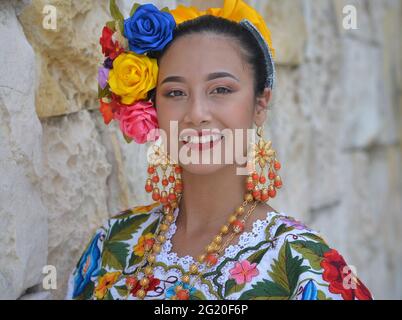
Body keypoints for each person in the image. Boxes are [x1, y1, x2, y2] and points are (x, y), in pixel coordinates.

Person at [66, 0, 373, 300]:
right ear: (153, 107)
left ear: (260, 104)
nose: (197, 112)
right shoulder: (114, 241)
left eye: (221, 90)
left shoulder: (304, 266)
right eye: (175, 92)